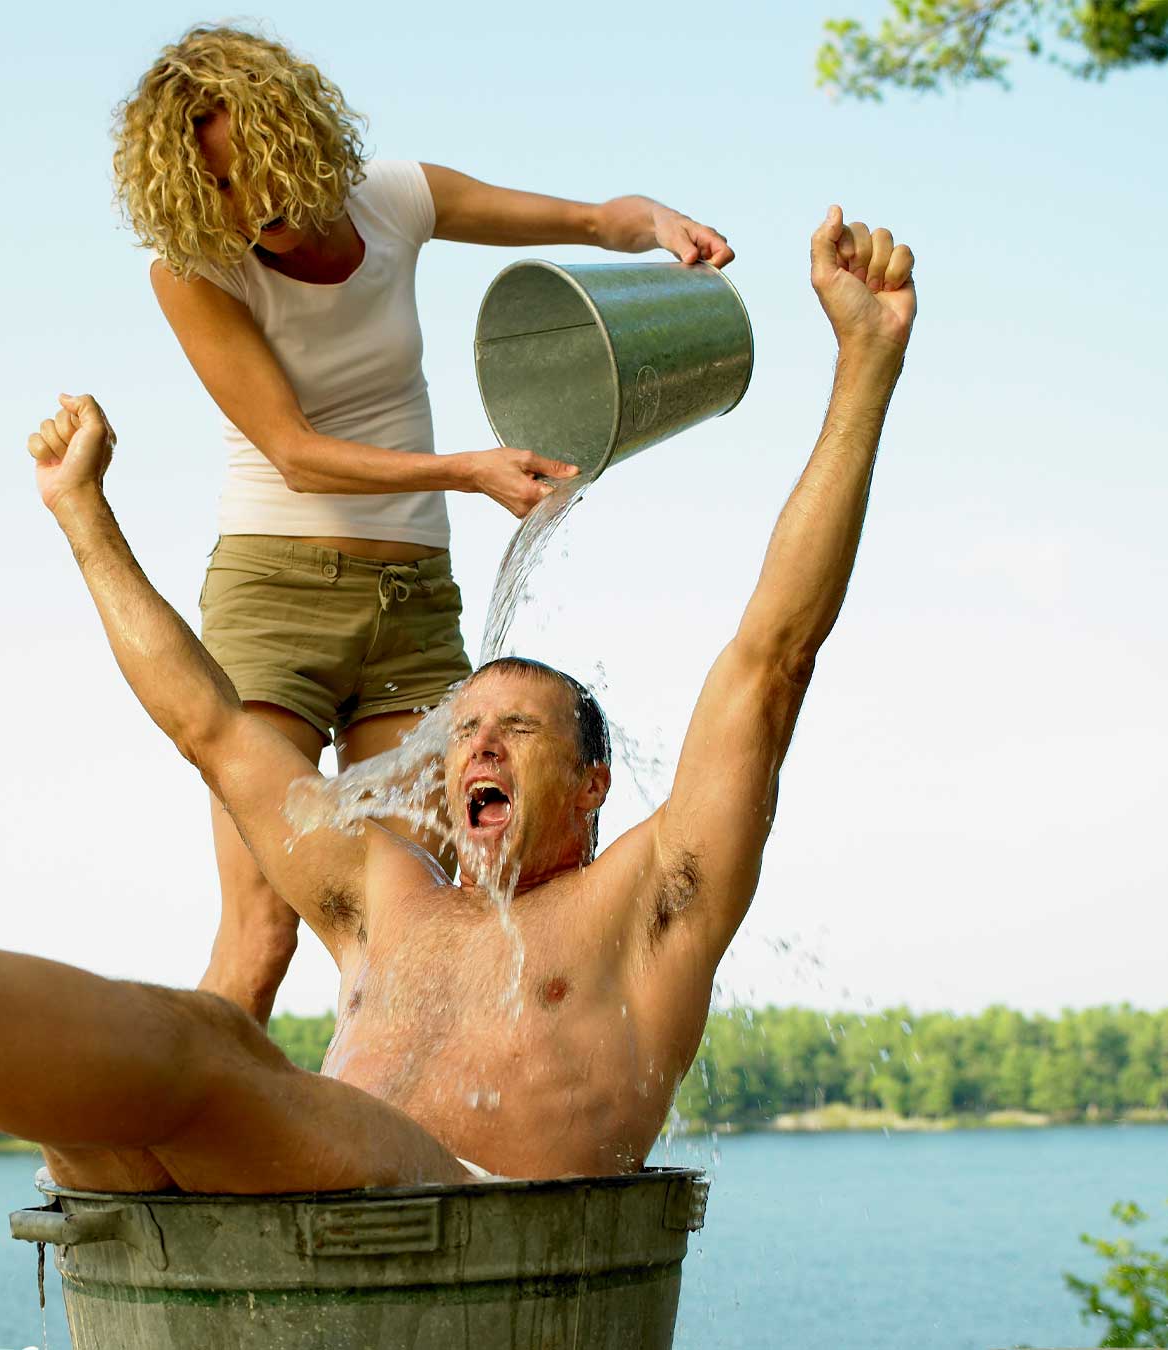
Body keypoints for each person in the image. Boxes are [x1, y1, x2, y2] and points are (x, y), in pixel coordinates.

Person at [0, 208, 913, 1190]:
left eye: (518, 729)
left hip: (464, 1217)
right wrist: (83, 518)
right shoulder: (387, 892)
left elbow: (770, 655)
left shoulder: (650, 902)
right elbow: (210, 725)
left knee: (202, 1047)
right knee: (87, 1119)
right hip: (294, 1193)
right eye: (464, 729)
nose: (477, 744)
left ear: (596, 780)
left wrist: (862, 368)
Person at [113, 25, 738, 1023]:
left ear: (302, 134)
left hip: (411, 605)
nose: (251, 203)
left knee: (419, 923)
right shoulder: (194, 272)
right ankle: (169, 1163)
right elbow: (295, 451)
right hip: (275, 603)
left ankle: (415, 1159)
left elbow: (586, 217)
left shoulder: (397, 197)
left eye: (259, 168)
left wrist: (659, 225)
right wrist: (466, 469)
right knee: (266, 930)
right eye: (219, 187)